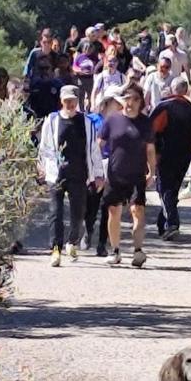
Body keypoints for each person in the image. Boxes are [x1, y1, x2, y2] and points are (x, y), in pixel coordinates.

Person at [37, 85, 105, 267]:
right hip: (56, 175)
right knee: (55, 213)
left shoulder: (87, 123)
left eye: (73, 101)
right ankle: (55, 249)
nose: (70, 104)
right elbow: (44, 147)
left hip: (79, 174)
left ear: (78, 101)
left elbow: (94, 150)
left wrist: (99, 174)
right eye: (67, 100)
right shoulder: (52, 120)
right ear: (61, 101)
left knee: (78, 214)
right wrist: (42, 167)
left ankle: (72, 241)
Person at [97, 85, 155, 267]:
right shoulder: (112, 120)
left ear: (141, 102)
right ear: (122, 101)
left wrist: (152, 172)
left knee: (137, 211)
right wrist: (96, 170)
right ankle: (115, 251)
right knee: (113, 211)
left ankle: (138, 251)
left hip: (137, 174)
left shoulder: (145, 123)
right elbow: (98, 145)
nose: (131, 102)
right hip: (115, 174)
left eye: (135, 99)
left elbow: (150, 149)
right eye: (127, 98)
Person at [150, 78, 191, 241]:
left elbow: (150, 132)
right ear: (186, 91)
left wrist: (147, 157)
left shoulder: (163, 107)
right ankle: (163, 225)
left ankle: (172, 224)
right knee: (172, 190)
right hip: (184, 157)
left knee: (164, 189)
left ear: (171, 89)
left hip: (165, 155)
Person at [83, 87, 125, 257]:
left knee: (109, 206)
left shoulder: (122, 122)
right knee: (92, 204)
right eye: (117, 102)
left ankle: (102, 243)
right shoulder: (92, 120)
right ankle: (88, 230)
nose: (120, 106)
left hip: (114, 167)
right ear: (108, 102)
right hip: (95, 165)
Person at [26, 53, 62, 119]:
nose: (44, 71)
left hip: (53, 118)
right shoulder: (32, 84)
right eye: (41, 68)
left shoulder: (58, 84)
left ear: (51, 68)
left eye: (47, 68)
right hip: (36, 119)